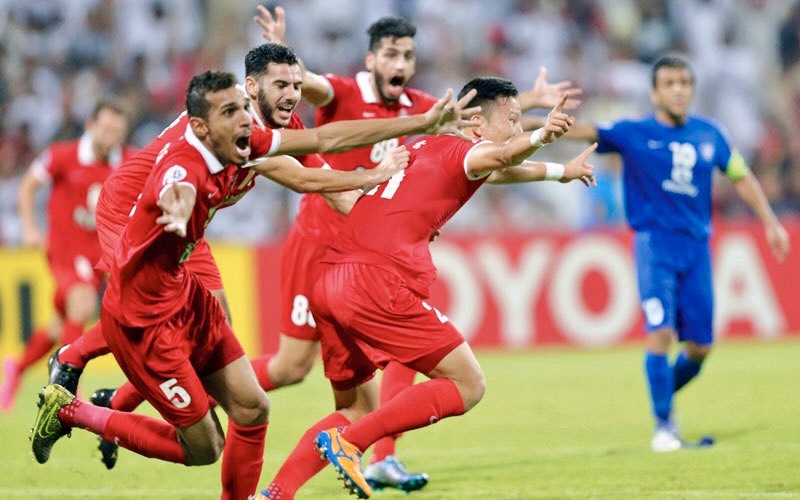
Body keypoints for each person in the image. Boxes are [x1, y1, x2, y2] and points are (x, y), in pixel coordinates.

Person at [42, 43, 474, 472]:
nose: (292, 95)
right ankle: (73, 358)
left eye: (296, 85)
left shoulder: (261, 133)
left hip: (191, 230)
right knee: (148, 306)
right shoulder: (228, 127)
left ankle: (115, 402)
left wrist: (391, 209)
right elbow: (282, 175)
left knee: (215, 328)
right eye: (281, 85)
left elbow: (318, 162)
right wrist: (392, 156)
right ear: (251, 88)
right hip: (134, 210)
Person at [253, 8, 583, 491]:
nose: (516, 128)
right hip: (373, 278)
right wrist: (539, 136)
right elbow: (503, 154)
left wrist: (558, 168)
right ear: (477, 124)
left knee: (354, 405)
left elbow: (497, 161)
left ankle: (275, 493)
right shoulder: (461, 147)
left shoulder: (425, 142)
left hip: (332, 275)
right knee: (468, 384)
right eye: (511, 120)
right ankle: (357, 445)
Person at [563, 54, 790, 452]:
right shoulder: (635, 132)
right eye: (669, 83)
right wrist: (524, 126)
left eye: (684, 83)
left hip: (697, 248)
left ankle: (662, 395)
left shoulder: (710, 134)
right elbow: (584, 131)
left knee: (700, 347)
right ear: (654, 93)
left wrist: (770, 222)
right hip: (655, 245)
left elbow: (740, 175)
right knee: (661, 332)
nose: (679, 90)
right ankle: (664, 426)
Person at [0, 101, 134, 412]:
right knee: (83, 301)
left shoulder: (128, 160)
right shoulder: (63, 155)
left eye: (118, 131)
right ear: (90, 126)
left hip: (99, 255)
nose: (112, 136)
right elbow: (29, 184)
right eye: (106, 129)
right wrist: (30, 228)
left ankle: (17, 368)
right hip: (64, 249)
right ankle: (68, 385)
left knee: (59, 325)